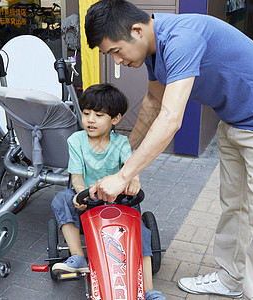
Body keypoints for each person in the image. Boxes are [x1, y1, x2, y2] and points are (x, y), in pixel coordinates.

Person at [84, 1, 253, 299]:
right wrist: (123, 154)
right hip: (234, 119)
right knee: (233, 207)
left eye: (116, 51)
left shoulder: (181, 39)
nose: (118, 61)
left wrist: (124, 176)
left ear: (137, 30)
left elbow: (171, 118)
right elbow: (152, 103)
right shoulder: (151, 48)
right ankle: (230, 280)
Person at [50, 83, 166, 300]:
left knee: (141, 232)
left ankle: (148, 290)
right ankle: (77, 256)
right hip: (89, 199)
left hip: (119, 201)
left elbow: (131, 166)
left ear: (115, 119)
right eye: (86, 114)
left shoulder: (121, 143)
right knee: (60, 199)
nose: (90, 119)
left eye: (98, 115)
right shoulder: (76, 140)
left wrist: (133, 180)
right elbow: (76, 175)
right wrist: (79, 194)